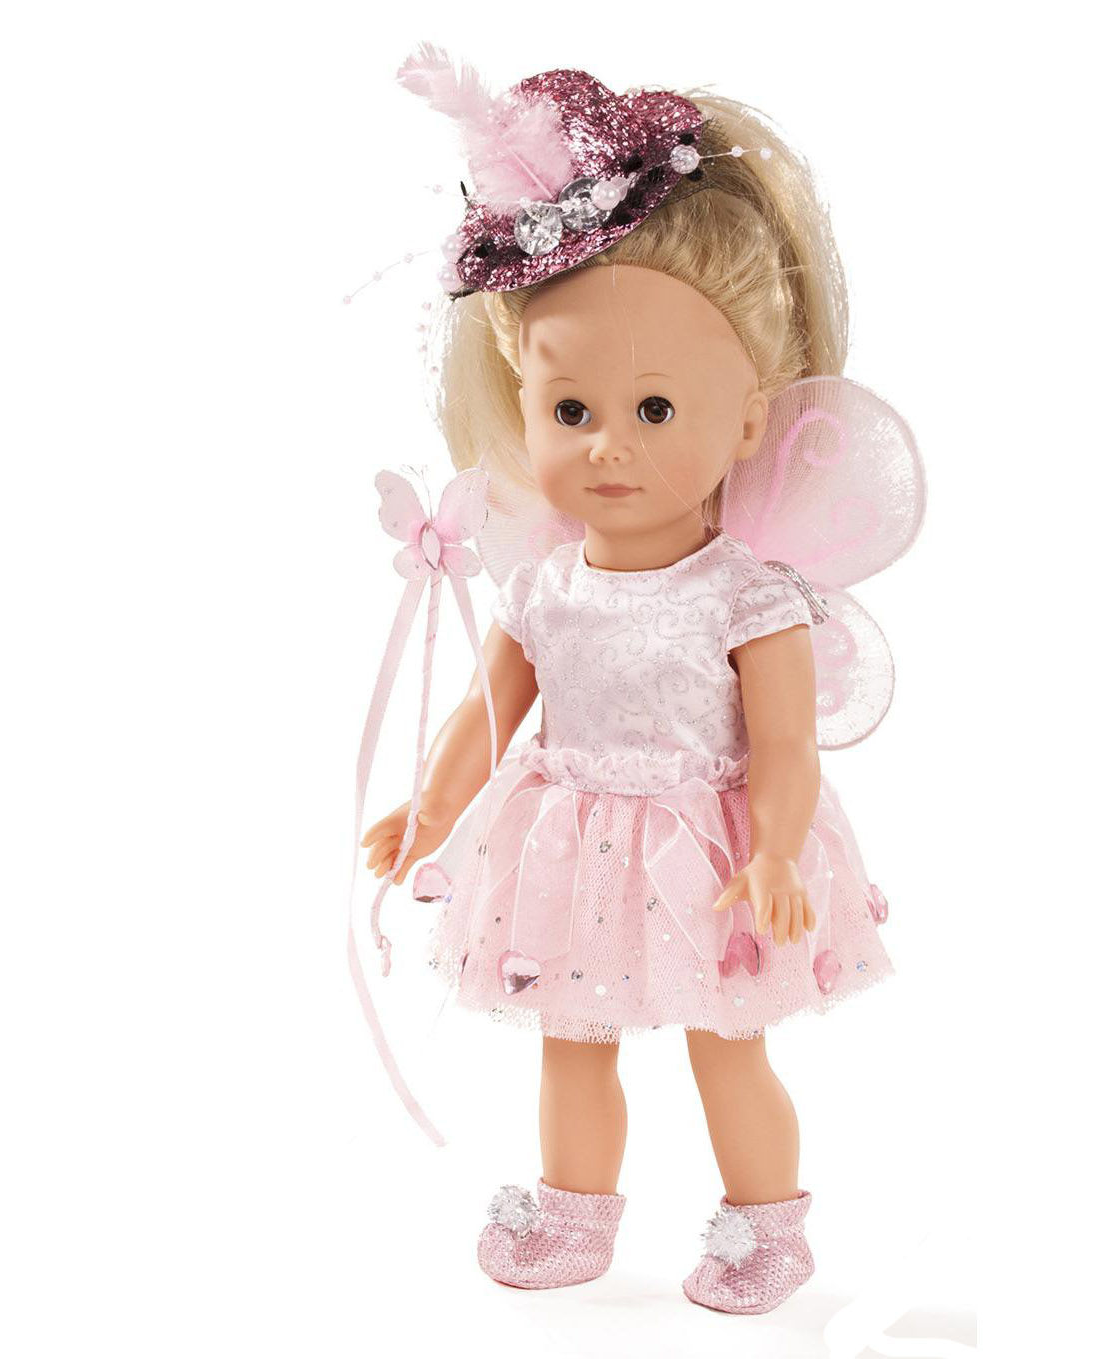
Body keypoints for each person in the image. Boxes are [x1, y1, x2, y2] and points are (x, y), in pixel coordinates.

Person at [356, 48, 923, 1315]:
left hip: (711, 849)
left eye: (656, 409)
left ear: (747, 421)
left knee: (729, 1046)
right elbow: (491, 714)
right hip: (567, 847)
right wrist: (429, 811)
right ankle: (573, 1211)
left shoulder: (747, 596)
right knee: (571, 1043)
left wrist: (775, 853)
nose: (610, 446)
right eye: (572, 411)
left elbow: (785, 748)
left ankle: (769, 1226)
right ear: (525, 399)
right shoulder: (544, 589)